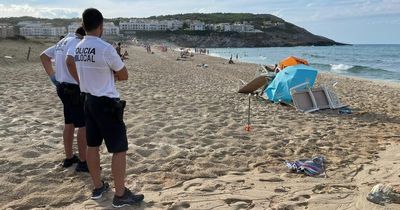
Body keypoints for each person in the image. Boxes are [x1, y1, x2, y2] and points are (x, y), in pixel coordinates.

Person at [74, 8, 144, 207]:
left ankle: (98, 187)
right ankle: (120, 194)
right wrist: (110, 75)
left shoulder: (79, 47)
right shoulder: (105, 48)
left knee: (92, 146)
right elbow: (124, 75)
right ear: (101, 25)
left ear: (84, 24)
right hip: (106, 103)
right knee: (119, 149)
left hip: (88, 101)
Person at [40, 27, 88, 172]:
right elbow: (70, 61)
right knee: (83, 125)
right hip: (73, 88)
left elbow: (44, 56)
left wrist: (52, 76)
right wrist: (81, 82)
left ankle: (69, 157)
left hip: (62, 86)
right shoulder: (76, 42)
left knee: (69, 122)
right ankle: (83, 161)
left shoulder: (62, 41)